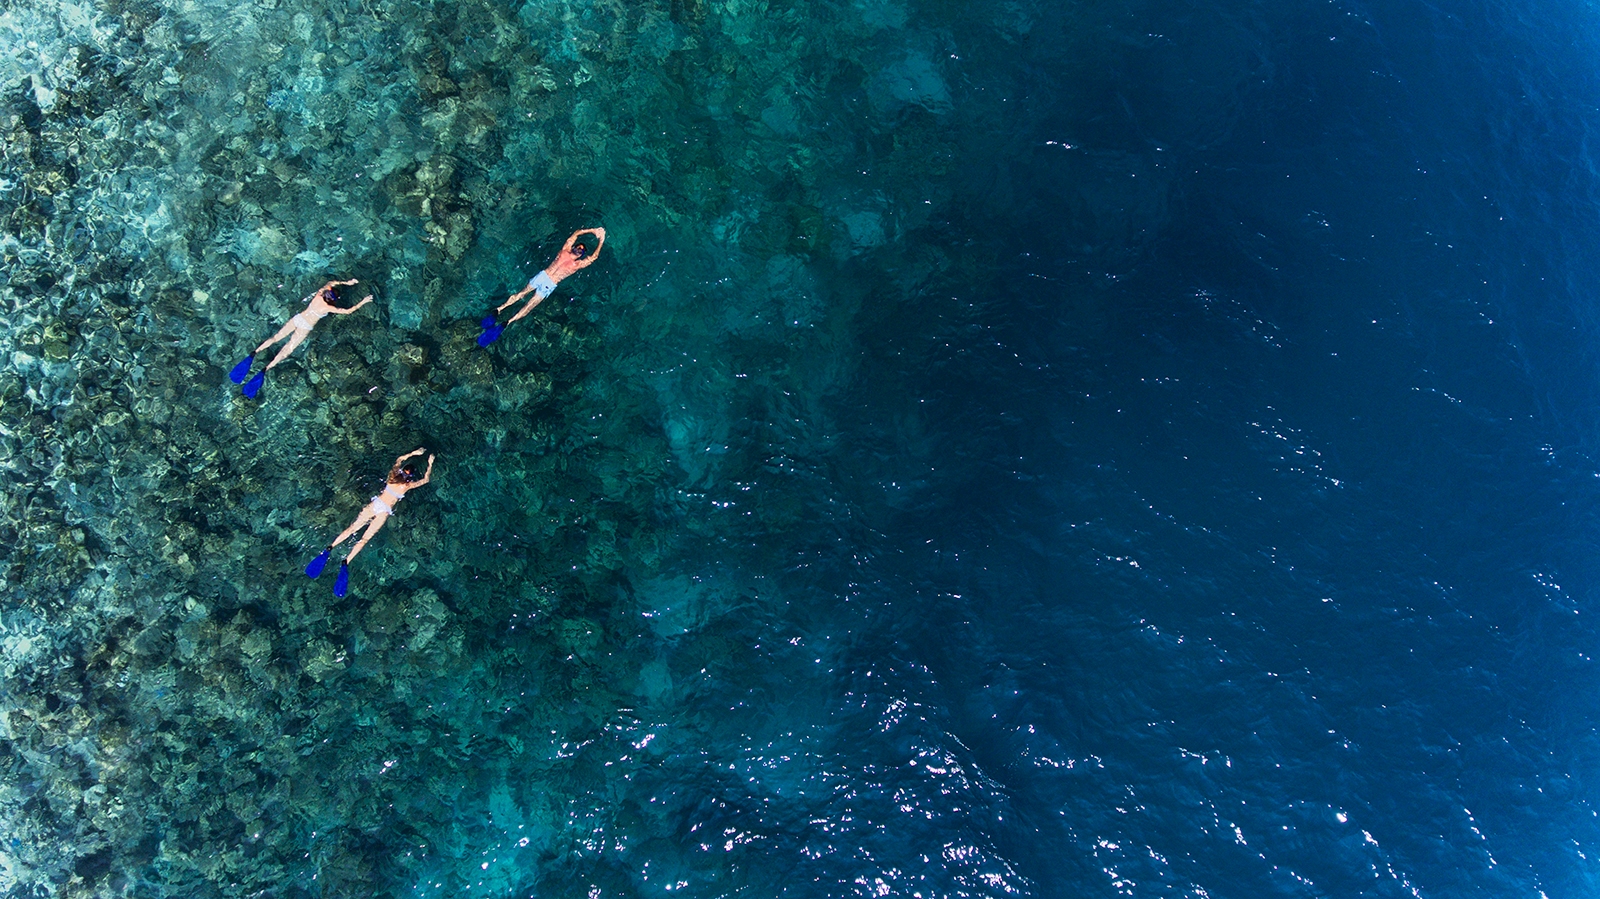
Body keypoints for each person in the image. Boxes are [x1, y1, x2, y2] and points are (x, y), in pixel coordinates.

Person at [305, 448, 435, 597]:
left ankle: (330, 547)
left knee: (352, 528)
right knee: (364, 539)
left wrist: (413, 453)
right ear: (410, 477)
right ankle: (346, 562)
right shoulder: (406, 486)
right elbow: (426, 480)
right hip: (384, 511)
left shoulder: (392, 476)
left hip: (375, 505)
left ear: (402, 471)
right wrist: (430, 463)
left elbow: (399, 458)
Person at [230, 279, 374, 397]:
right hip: (305, 327)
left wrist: (346, 282)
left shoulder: (319, 294)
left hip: (298, 318)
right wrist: (364, 301)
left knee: (275, 338)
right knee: (287, 350)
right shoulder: (328, 308)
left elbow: (332, 282)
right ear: (333, 300)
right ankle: (264, 370)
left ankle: (253, 354)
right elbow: (348, 311)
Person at [478, 228, 606, 346]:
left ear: (575, 248)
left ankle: (499, 309)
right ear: (580, 254)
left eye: (580, 249)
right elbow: (594, 257)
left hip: (542, 276)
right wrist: (601, 239)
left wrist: (592, 231)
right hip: (548, 284)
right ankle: (507, 322)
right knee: (528, 306)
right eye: (580, 248)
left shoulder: (564, 250)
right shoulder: (576, 265)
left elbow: (576, 233)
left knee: (520, 294)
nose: (579, 249)